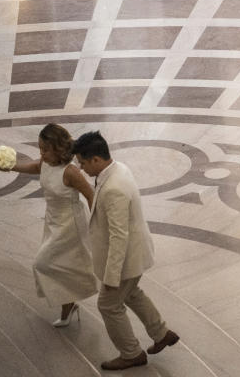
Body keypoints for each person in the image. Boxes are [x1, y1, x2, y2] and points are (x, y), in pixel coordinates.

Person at [73, 131, 179, 371]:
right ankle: (161, 333)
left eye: (82, 162)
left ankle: (131, 353)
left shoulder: (114, 188)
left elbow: (119, 236)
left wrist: (111, 277)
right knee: (131, 293)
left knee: (108, 305)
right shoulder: (118, 168)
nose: (80, 168)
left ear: (96, 160)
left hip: (126, 259)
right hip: (137, 253)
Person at [8, 124, 96, 327]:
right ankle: (69, 306)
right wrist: (11, 166)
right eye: (40, 148)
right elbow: (36, 166)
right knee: (60, 265)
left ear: (58, 148)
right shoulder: (47, 162)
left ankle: (71, 300)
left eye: (45, 149)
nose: (42, 153)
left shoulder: (71, 172)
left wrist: (97, 225)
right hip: (53, 220)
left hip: (70, 225)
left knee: (42, 263)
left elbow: (91, 196)